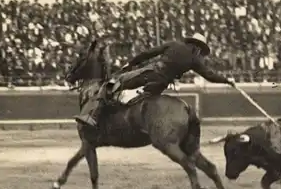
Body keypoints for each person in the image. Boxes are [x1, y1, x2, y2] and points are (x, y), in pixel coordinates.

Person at [74, 33, 236, 128]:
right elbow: (210, 75)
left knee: (114, 81)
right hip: (160, 85)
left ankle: (94, 115)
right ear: (199, 48)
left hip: (149, 73)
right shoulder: (195, 60)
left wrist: (132, 63)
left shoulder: (174, 44)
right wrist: (227, 81)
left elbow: (148, 53)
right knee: (141, 99)